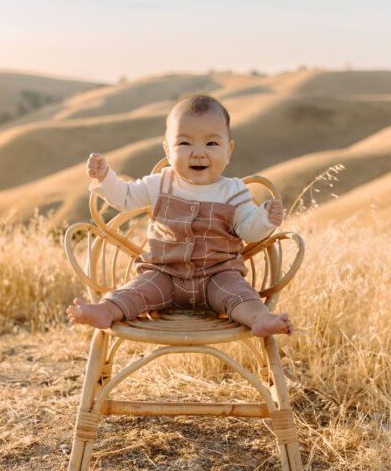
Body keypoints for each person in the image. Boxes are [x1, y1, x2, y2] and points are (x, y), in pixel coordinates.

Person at [67, 94, 293, 337]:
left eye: (211, 144)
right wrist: (105, 177)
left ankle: (259, 318)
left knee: (241, 295)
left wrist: (265, 218)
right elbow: (126, 197)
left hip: (218, 275)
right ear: (168, 149)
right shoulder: (161, 183)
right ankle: (106, 311)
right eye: (184, 144)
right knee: (135, 291)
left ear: (228, 151)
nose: (198, 153)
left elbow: (248, 229)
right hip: (164, 274)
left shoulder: (233, 191)